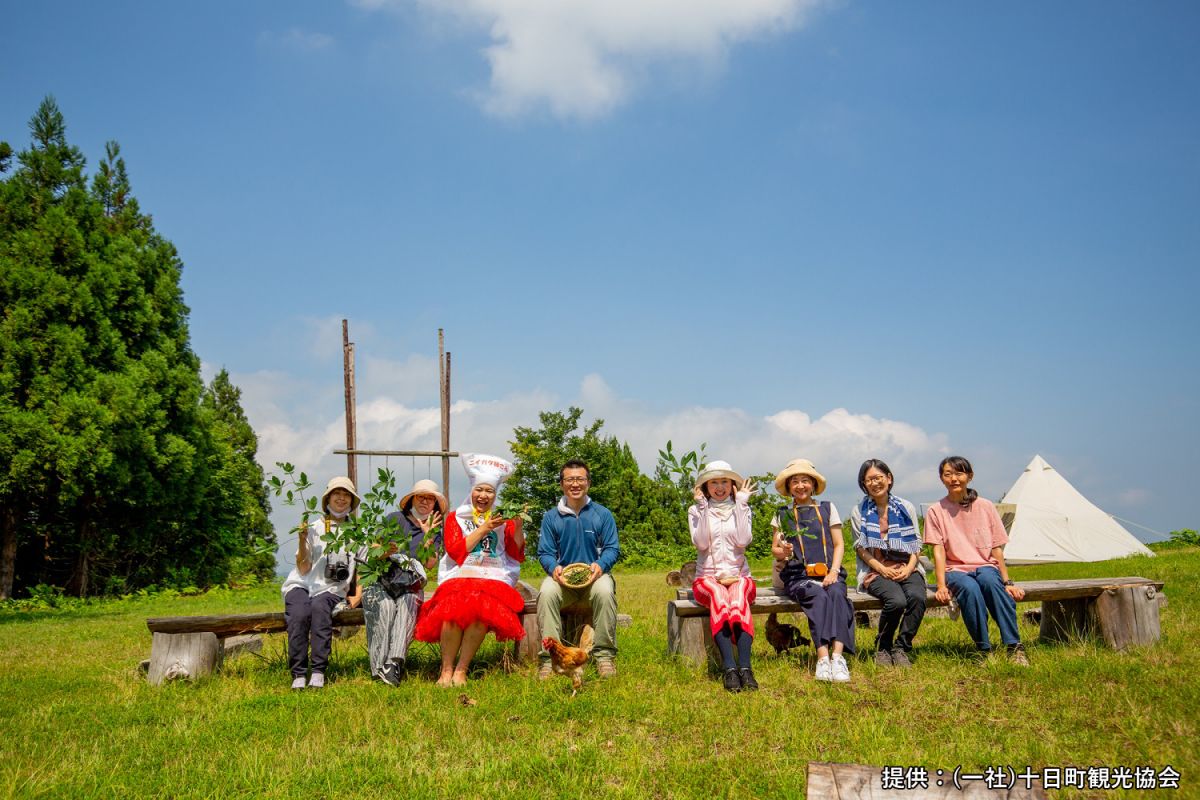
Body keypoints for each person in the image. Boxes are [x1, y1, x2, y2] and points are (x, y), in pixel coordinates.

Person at [414, 454, 526, 687]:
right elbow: (455, 552)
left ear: (495, 495)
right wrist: (484, 528)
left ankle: (461, 670)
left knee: (480, 610)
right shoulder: (457, 517)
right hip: (461, 574)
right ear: (472, 490)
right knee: (453, 609)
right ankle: (446, 671)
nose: (483, 496)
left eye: (489, 492)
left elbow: (516, 554)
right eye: (479, 490)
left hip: (493, 577)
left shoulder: (504, 518)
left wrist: (518, 526)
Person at [924, 456, 1029, 665]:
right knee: (970, 589)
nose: (954, 478)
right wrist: (942, 585)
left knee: (991, 582)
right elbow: (938, 551)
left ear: (969, 477)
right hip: (955, 569)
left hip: (985, 565)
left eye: (959, 473)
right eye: (948, 474)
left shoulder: (985, 506)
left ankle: (1014, 646)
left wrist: (1007, 583)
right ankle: (983, 649)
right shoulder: (936, 511)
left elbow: (996, 548)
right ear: (941, 479)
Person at [771, 458, 856, 683]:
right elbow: (775, 550)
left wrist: (834, 571)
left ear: (813, 484)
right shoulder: (783, 513)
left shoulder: (828, 508)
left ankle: (838, 658)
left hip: (830, 571)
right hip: (798, 575)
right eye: (795, 482)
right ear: (789, 487)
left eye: (805, 481)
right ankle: (822, 658)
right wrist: (785, 549)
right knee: (818, 596)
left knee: (837, 594)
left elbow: (839, 544)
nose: (800, 486)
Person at [536, 459, 620, 679]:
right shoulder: (551, 517)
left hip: (594, 579)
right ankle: (548, 659)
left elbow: (612, 548)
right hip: (563, 582)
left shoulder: (602, 514)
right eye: (570, 479)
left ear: (588, 483)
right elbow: (544, 552)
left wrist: (600, 566)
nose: (575, 484)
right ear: (562, 484)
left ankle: (604, 656)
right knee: (546, 592)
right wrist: (554, 568)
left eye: (580, 479)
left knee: (604, 591)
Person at [280, 476, 363, 690]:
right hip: (302, 583)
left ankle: (318, 671)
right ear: (327, 499)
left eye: (347, 495)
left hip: (331, 588)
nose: (341, 499)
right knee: (298, 615)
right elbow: (304, 568)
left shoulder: (357, 533)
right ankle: (298, 672)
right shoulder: (314, 527)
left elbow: (362, 568)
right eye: (337, 494)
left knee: (319, 608)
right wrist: (301, 539)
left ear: (352, 502)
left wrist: (357, 596)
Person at [361, 479, 447, 686]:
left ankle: (394, 663)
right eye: (421, 497)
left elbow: (429, 564)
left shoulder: (435, 530)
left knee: (409, 602)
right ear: (412, 500)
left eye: (430, 499)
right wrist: (384, 552)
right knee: (387, 608)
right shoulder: (394, 519)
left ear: (435, 504)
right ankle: (379, 666)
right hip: (381, 580)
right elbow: (372, 549)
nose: (425, 502)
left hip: (409, 584)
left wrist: (428, 536)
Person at [689, 460, 759, 692]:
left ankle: (745, 668)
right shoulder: (696, 510)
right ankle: (729, 668)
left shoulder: (743, 507)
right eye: (714, 483)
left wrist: (740, 505)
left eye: (724, 482)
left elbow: (742, 541)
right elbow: (701, 544)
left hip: (740, 576)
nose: (719, 487)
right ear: (705, 487)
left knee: (737, 595)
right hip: (706, 579)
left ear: (732, 485)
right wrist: (702, 509)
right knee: (719, 595)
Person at [849, 459, 926, 668]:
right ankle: (883, 646)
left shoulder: (905, 507)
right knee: (897, 601)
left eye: (878, 478)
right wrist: (881, 568)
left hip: (907, 566)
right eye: (869, 480)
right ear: (863, 484)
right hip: (875, 570)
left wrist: (910, 568)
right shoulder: (859, 511)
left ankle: (901, 647)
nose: (875, 483)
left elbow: (916, 543)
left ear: (889, 478)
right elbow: (860, 548)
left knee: (918, 598)